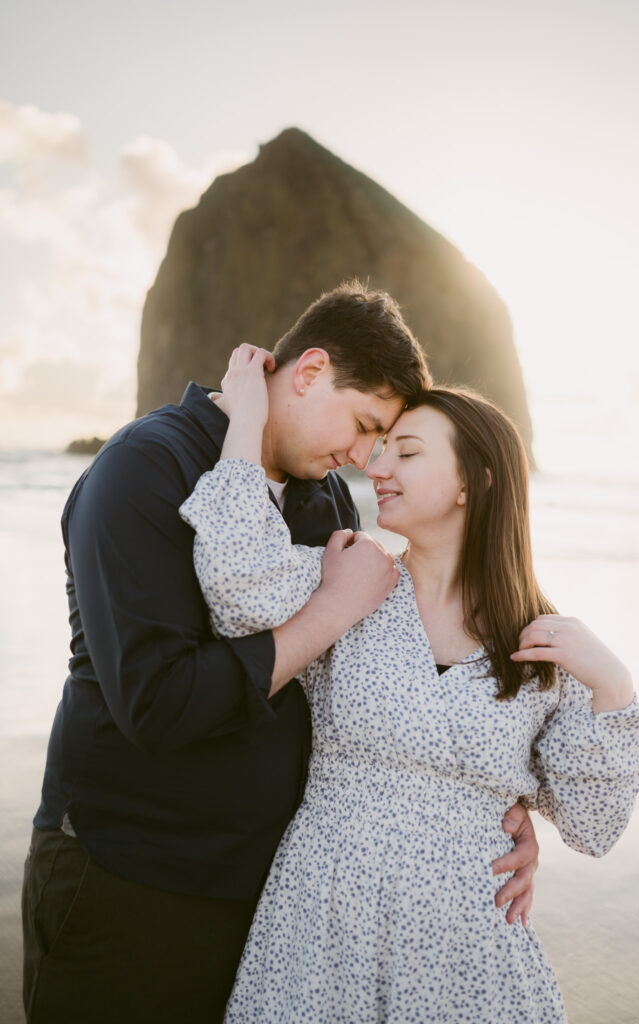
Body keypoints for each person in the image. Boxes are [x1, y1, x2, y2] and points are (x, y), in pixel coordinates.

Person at [22, 282, 539, 1024]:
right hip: (131, 878)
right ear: (308, 371)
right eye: (365, 425)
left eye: (383, 442)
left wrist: (491, 802)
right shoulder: (143, 468)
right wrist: (329, 608)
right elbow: (158, 704)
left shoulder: (322, 496)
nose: (363, 458)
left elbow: (364, 677)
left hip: (267, 896)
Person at [180, 352, 639, 1023]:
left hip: (468, 958)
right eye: (379, 451)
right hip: (324, 931)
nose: (374, 468)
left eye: (405, 453)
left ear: (475, 481)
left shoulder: (544, 649)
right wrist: (249, 422)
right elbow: (234, 580)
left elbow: (591, 829)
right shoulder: (348, 581)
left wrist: (614, 683)